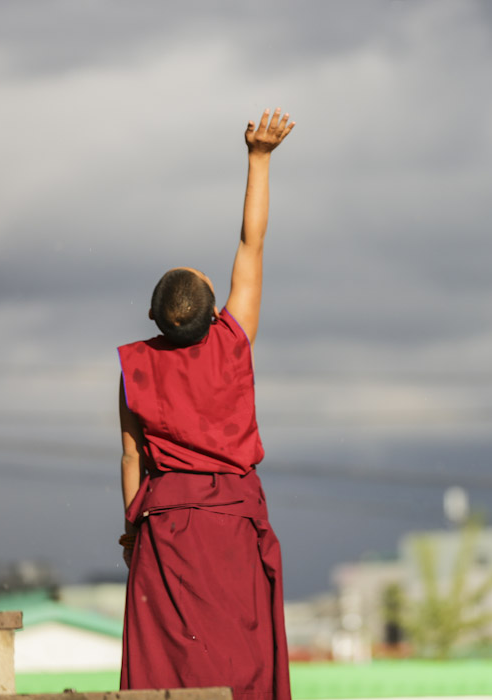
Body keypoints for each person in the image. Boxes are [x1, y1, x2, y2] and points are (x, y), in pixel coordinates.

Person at [116, 108, 295, 700]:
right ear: (216, 308)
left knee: (168, 666)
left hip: (164, 525)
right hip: (230, 522)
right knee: (239, 662)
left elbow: (130, 459)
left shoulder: (137, 367)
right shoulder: (232, 341)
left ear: (153, 318)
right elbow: (252, 240)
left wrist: (130, 531)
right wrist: (259, 158)